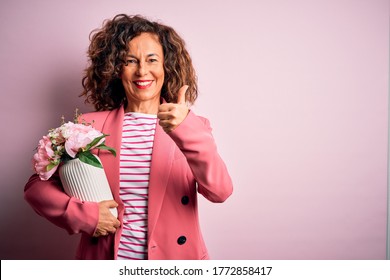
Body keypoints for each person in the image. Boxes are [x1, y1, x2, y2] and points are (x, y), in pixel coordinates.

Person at [24, 14, 233, 260]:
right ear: (115, 69)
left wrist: (185, 127)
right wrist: (86, 216)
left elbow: (220, 191)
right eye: (130, 61)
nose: (142, 71)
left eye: (152, 59)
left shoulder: (191, 126)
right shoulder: (88, 127)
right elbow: (35, 189)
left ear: (167, 66)